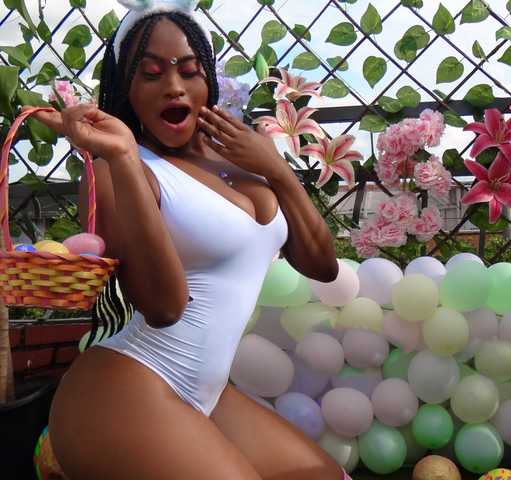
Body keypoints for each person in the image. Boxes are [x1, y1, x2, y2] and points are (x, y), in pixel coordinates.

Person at [31, 1, 349, 479]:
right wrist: (122, 157)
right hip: (122, 389)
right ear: (126, 89)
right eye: (151, 74)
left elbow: (322, 266)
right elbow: (163, 308)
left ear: (208, 82)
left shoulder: (245, 157)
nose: (173, 86)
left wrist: (278, 170)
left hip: (207, 395)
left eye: (189, 70)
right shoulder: (117, 167)